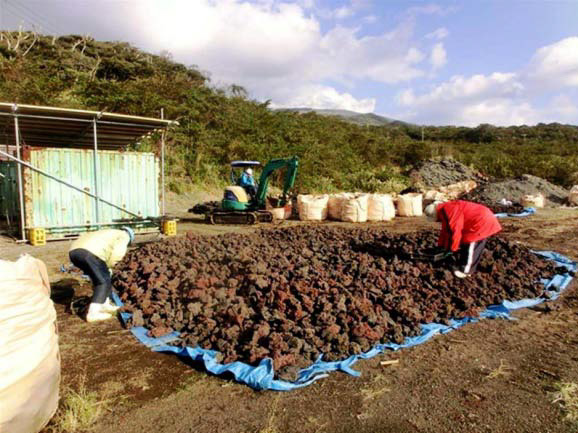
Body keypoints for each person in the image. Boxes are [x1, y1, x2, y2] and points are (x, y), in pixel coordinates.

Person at [69, 227, 134, 322]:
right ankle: (93, 314)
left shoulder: (108, 232)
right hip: (89, 253)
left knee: (99, 278)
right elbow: (117, 254)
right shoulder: (124, 236)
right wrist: (110, 266)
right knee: (102, 282)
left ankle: (104, 304)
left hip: (74, 252)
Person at [424, 200, 502, 278]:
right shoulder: (445, 210)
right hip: (478, 220)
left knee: (472, 242)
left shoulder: (449, 210)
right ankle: (462, 262)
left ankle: (466, 270)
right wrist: (441, 246)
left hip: (481, 222)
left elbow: (454, 230)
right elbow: (446, 231)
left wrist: (452, 249)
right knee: (465, 242)